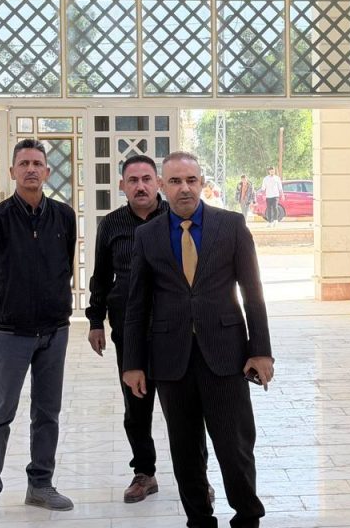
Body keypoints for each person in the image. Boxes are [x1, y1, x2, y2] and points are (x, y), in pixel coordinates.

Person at [122, 151, 273, 528]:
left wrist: (261, 352)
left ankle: (248, 517)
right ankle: (199, 521)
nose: (184, 188)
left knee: (236, 448)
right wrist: (133, 363)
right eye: (175, 181)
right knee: (185, 452)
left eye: (191, 180)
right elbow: (137, 304)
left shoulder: (231, 225)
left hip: (226, 356)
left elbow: (253, 292)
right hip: (171, 362)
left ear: (202, 183)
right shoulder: (147, 235)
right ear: (162, 185)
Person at [0, 139, 77, 523]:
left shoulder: (64, 216)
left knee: (47, 412)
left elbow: (65, 264)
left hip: (55, 331)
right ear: (12, 171)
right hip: (10, 332)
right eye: (24, 163)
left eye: (37, 163)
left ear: (47, 171)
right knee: (0, 413)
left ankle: (40, 485)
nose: (31, 169)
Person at [86, 155, 170, 503]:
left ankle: (195, 475)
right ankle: (144, 473)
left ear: (158, 183)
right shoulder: (112, 224)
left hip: (173, 329)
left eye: (147, 179)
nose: (140, 186)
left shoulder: (175, 218)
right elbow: (101, 276)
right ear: (122, 186)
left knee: (184, 407)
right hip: (129, 330)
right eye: (132, 180)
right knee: (136, 407)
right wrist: (95, 321)